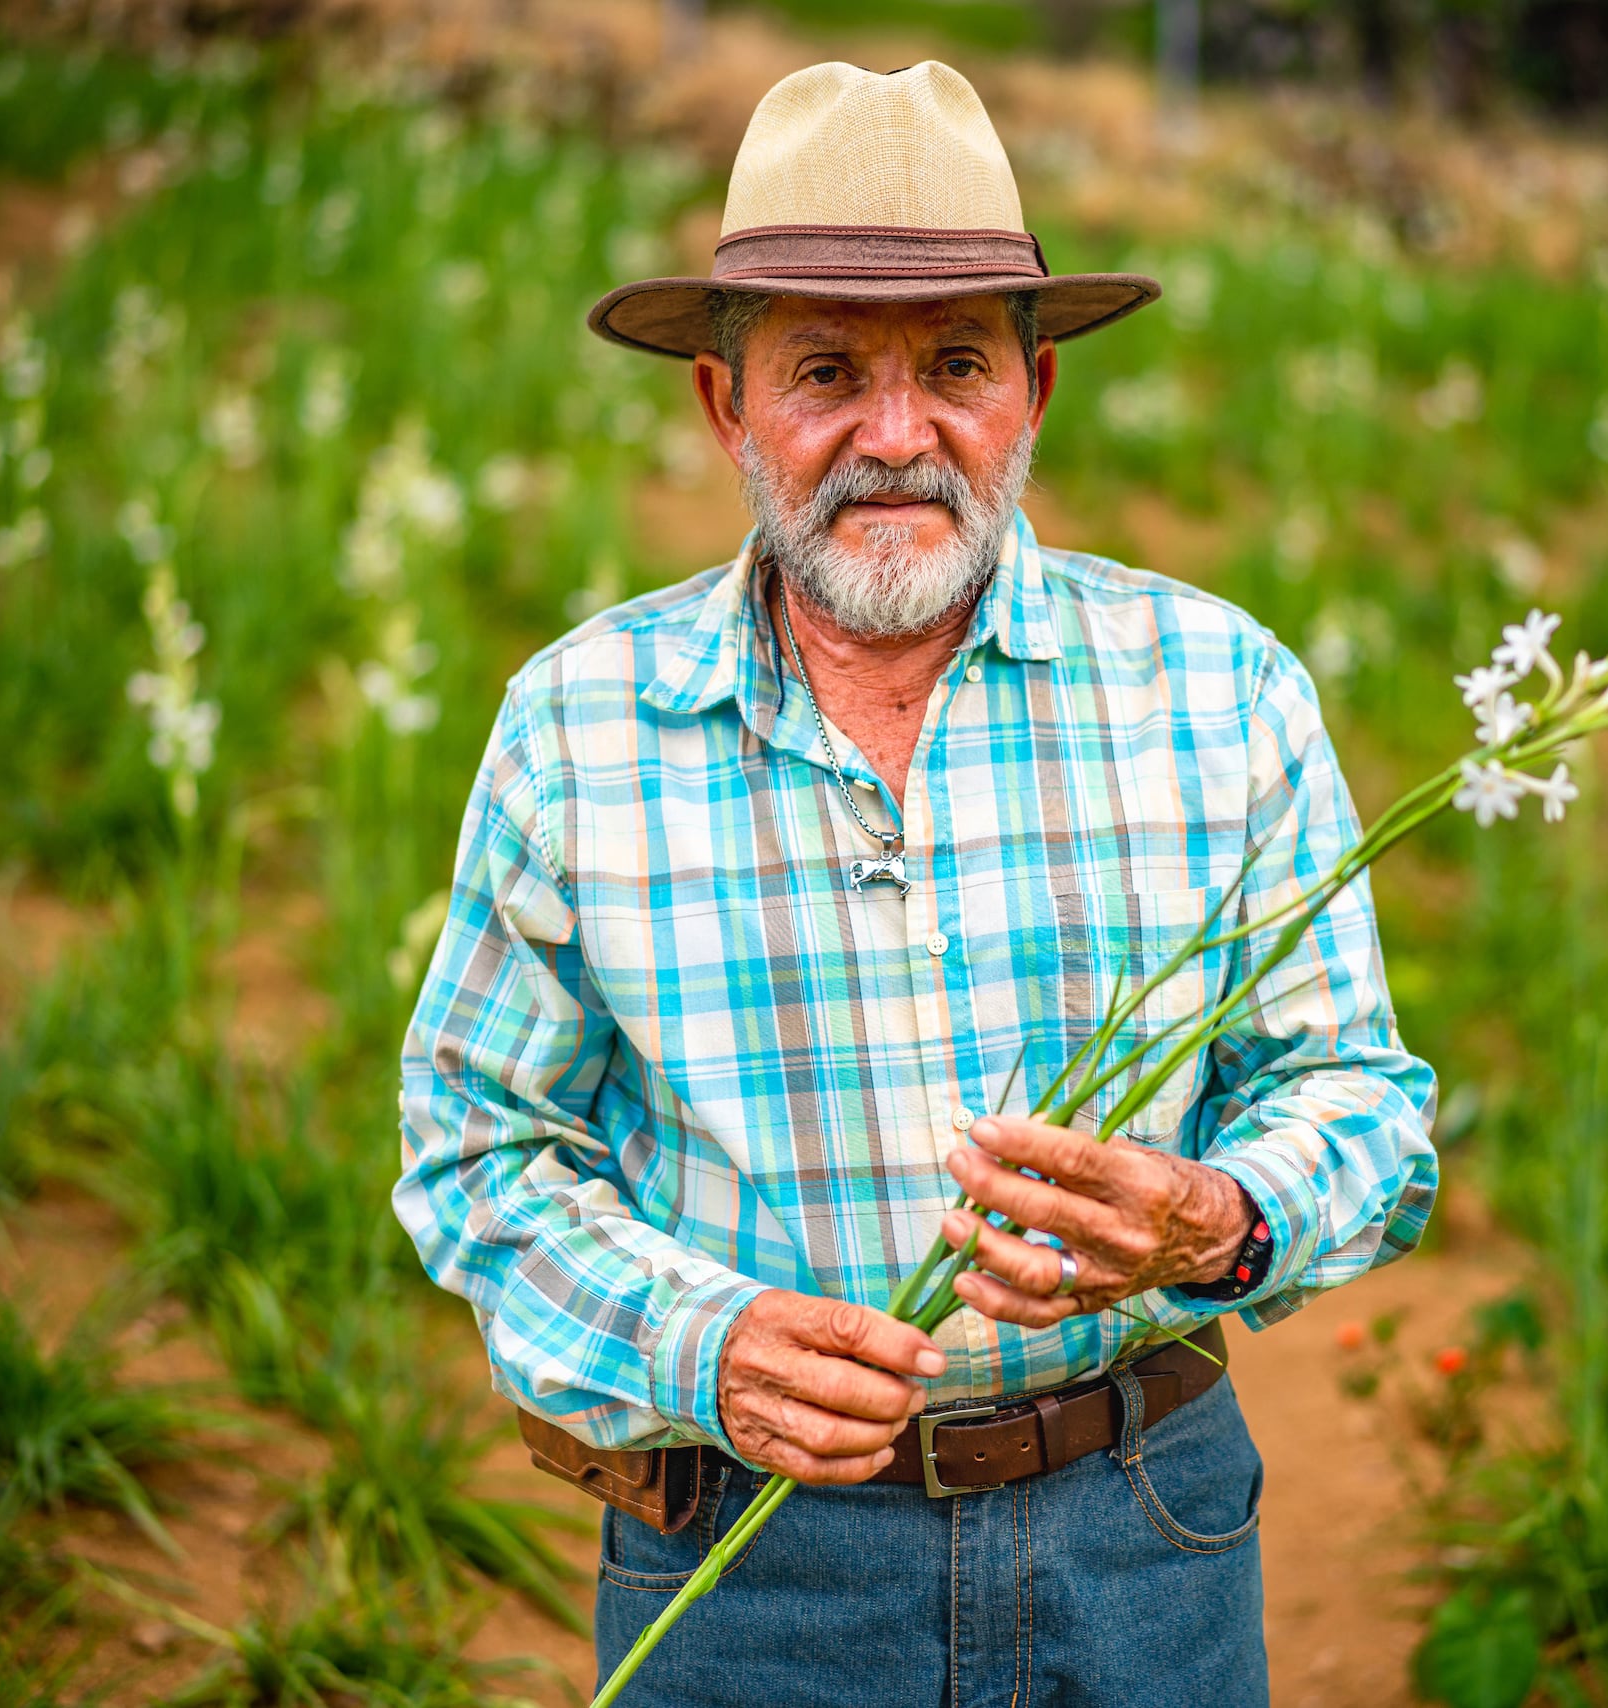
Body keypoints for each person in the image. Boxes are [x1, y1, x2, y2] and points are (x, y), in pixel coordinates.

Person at [395, 58, 1439, 1705]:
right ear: (726, 407)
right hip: (750, 1571)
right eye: (825, 370)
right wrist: (703, 1349)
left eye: (953, 363)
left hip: (1144, 1538)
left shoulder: (1216, 690)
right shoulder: (577, 731)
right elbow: (474, 1162)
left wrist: (1214, 1220)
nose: (898, 436)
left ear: (1033, 390)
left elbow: (1360, 1104)